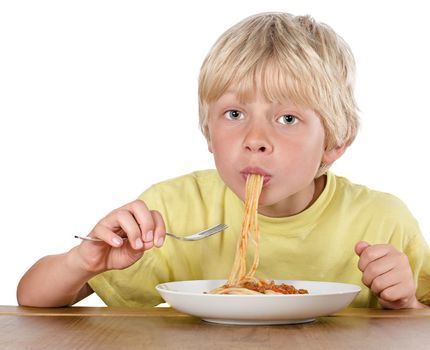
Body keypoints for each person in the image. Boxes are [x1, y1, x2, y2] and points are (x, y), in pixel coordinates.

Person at [17, 12, 430, 309]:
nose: (255, 140)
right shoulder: (176, 208)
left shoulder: (383, 220)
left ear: (334, 143)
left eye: (288, 118)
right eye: (234, 114)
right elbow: (31, 300)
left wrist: (408, 302)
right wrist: (84, 262)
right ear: (208, 131)